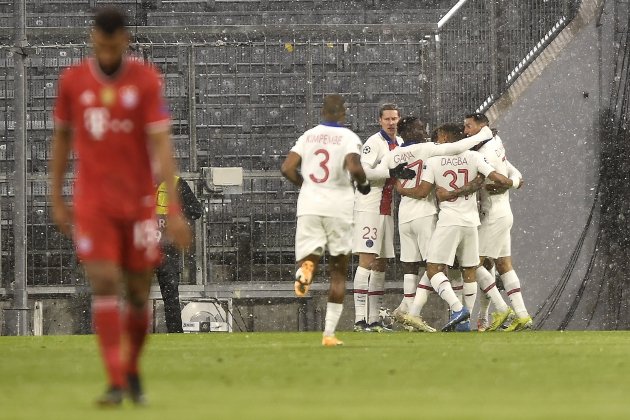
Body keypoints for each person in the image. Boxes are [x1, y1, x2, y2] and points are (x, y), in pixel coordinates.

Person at [50, 8, 191, 406]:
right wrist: (56, 195)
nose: (107, 51)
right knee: (104, 279)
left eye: (113, 45)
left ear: (125, 41)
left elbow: (162, 143)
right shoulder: (73, 81)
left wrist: (174, 209)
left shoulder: (145, 80)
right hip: (93, 200)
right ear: (93, 39)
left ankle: (131, 368)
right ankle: (115, 380)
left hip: (138, 199)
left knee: (137, 288)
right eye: (100, 43)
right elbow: (61, 139)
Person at [385, 118, 495, 332]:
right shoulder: (430, 150)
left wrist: (398, 186)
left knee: (410, 264)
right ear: (411, 130)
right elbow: (456, 149)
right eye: (420, 127)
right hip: (429, 215)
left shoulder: (393, 154)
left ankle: (409, 309)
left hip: (404, 215)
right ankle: (459, 312)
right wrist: (482, 136)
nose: (425, 131)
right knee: (441, 267)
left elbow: (373, 171)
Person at [281, 94, 370, 347]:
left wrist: (306, 186)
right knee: (338, 271)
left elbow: (287, 168)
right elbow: (354, 167)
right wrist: (362, 185)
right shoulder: (348, 137)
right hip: (338, 207)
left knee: (309, 255)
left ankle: (306, 269)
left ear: (322, 112)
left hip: (309, 205)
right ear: (343, 113)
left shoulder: (308, 136)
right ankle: (329, 334)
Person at [463, 113, 532, 331]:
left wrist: (501, 184)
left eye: (469, 126)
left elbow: (486, 180)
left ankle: (499, 310)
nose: (466, 130)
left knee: (472, 264)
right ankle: (522, 315)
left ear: (481, 127)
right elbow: (515, 173)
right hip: (504, 212)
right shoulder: (496, 142)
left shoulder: (483, 153)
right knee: (503, 265)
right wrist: (512, 183)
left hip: (492, 215)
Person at [351, 104, 414, 332]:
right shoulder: (373, 143)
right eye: (387, 119)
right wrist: (391, 173)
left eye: (395, 119)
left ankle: (374, 319)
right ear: (380, 121)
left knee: (380, 264)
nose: (391, 123)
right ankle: (359, 320)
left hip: (386, 209)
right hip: (369, 207)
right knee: (367, 260)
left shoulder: (400, 144)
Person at [155, 176, 203, 333]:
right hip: (164, 249)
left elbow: (196, 210)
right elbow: (195, 211)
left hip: (151, 248)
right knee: (170, 297)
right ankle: (174, 333)